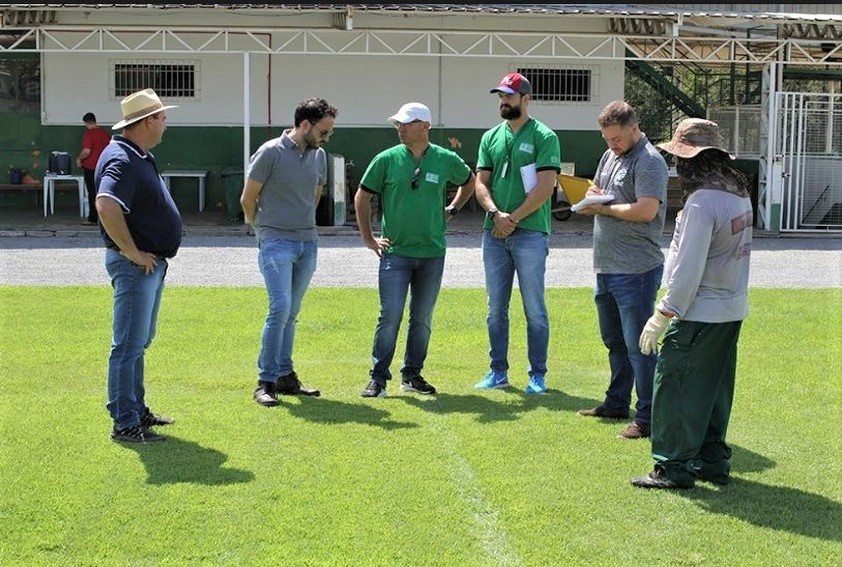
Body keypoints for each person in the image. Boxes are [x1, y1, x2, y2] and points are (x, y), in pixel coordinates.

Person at [632, 118, 753, 489]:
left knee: (676, 384)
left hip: (699, 310)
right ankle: (711, 459)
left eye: (681, 158)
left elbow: (688, 267)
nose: (677, 165)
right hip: (730, 308)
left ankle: (672, 466)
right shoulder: (737, 191)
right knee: (713, 388)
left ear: (693, 160)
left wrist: (664, 313)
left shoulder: (702, 202)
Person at [355, 102, 475, 398]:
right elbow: (362, 197)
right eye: (398, 123)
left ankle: (412, 375)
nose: (401, 128)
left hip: (432, 253)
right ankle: (378, 378)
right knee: (390, 316)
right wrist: (369, 239)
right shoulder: (386, 159)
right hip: (396, 254)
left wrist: (452, 209)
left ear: (425, 126)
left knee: (422, 319)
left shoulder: (445, 159)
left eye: (407, 123)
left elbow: (469, 181)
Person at [574, 100, 668, 439]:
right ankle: (616, 403)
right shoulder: (610, 155)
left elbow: (646, 211)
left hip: (636, 269)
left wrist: (604, 209)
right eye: (606, 139)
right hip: (607, 266)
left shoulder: (650, 161)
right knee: (614, 340)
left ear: (634, 128)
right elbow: (600, 190)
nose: (611, 145)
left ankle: (649, 417)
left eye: (616, 138)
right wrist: (591, 195)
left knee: (639, 346)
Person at [95, 88, 180, 443]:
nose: (165, 124)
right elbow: (106, 204)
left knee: (138, 342)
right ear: (147, 122)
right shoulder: (123, 158)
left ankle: (136, 409)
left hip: (148, 264)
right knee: (128, 345)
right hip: (135, 266)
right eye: (162, 118)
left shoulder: (137, 155)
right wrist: (131, 251)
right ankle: (125, 421)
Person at [242, 97, 337, 407]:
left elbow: (315, 196)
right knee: (280, 308)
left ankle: (285, 375)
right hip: (275, 242)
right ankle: (265, 381)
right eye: (324, 131)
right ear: (305, 125)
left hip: (307, 242)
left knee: (292, 312)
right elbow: (247, 199)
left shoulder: (319, 156)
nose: (327, 137)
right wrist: (263, 232)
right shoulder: (270, 152)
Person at [472, 72, 561, 395]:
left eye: (509, 96)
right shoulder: (490, 137)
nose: (503, 101)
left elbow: (545, 187)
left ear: (526, 98)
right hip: (494, 232)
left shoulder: (544, 137)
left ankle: (537, 375)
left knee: (534, 307)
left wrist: (513, 218)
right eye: (500, 96)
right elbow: (481, 183)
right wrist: (496, 214)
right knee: (495, 308)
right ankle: (498, 372)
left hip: (530, 232)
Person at [77, 112, 111, 225]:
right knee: (104, 192)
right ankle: (106, 219)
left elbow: (87, 151)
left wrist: (79, 159)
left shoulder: (89, 134)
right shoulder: (105, 134)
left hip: (91, 167)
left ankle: (92, 218)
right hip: (104, 166)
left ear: (86, 123)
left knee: (92, 193)